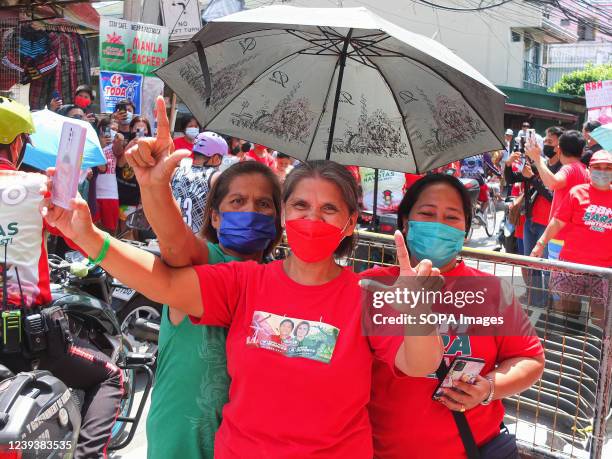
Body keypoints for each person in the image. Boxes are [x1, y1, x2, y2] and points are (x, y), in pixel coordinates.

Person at [43, 96, 444, 455]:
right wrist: (89, 236)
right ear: (285, 215)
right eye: (301, 205)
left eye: (329, 210)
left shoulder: (367, 294)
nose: (312, 217)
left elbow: (416, 363)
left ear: (351, 222)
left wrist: (418, 311)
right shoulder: (245, 281)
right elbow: (162, 280)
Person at [360, 173, 545, 458]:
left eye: (451, 217)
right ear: (406, 224)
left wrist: (489, 388)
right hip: (383, 450)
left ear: (465, 232)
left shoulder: (492, 290)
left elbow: (530, 359)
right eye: (427, 213)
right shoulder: (372, 286)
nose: (438, 225)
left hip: (473, 447)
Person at [136, 155, 282, 459]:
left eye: (263, 204)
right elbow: (174, 240)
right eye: (238, 201)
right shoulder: (204, 261)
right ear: (215, 217)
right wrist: (154, 186)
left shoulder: (277, 280)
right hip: (182, 442)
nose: (250, 211)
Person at [0, 96, 123, 458]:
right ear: (18, 142)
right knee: (111, 378)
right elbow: (84, 240)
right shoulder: (38, 188)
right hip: (24, 339)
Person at [531, 150, 611, 316]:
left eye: (607, 168)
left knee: (601, 317)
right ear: (589, 169)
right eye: (597, 167)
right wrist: (539, 245)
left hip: (604, 270)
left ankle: (599, 343)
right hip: (571, 265)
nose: (602, 171)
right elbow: (557, 221)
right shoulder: (577, 192)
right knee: (567, 313)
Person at [504, 126, 563, 304]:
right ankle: (536, 298)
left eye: (549, 142)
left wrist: (532, 178)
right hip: (529, 219)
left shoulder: (561, 169)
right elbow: (513, 179)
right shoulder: (539, 164)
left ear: (559, 145)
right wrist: (508, 165)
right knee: (532, 264)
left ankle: (551, 301)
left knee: (546, 266)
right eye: (544, 141)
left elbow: (551, 195)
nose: (545, 144)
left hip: (546, 223)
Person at [526, 130, 590, 261]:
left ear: (559, 149)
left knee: (555, 279)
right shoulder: (584, 170)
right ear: (582, 151)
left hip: (561, 236)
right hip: (575, 237)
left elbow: (553, 183)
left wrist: (538, 159)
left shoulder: (569, 168)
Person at [171, 132, 228, 233]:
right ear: (215, 158)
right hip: (197, 241)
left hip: (171, 234)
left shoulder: (176, 171)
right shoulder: (215, 176)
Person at [116, 116, 150, 233]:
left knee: (137, 230)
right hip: (124, 194)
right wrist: (130, 147)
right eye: (137, 128)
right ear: (131, 130)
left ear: (148, 131)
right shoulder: (126, 143)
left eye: (143, 129)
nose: (140, 132)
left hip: (141, 195)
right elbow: (120, 164)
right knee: (124, 229)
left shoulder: (151, 147)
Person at [94, 118, 120, 234]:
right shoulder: (93, 145)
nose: (114, 133)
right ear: (101, 130)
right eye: (111, 129)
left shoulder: (115, 147)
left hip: (109, 194)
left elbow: (103, 168)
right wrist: (100, 145)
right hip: (93, 193)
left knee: (109, 232)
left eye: (116, 130)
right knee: (95, 230)